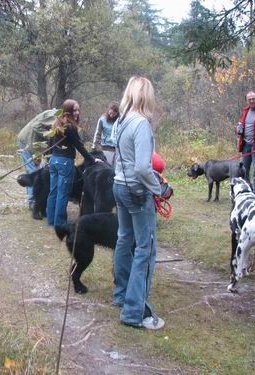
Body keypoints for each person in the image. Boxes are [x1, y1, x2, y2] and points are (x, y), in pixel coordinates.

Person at [112, 76, 164, 330]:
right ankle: (134, 311)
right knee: (146, 248)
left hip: (119, 185)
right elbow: (143, 168)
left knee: (124, 239)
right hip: (136, 191)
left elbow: (123, 159)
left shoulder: (121, 121)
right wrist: (159, 190)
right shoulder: (141, 123)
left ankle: (122, 295)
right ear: (147, 96)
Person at [47, 99, 100, 226]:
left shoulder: (56, 124)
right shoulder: (70, 127)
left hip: (53, 160)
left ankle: (51, 220)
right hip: (65, 162)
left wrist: (47, 159)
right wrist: (92, 159)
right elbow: (79, 146)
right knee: (62, 193)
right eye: (74, 110)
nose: (76, 113)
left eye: (78, 110)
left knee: (53, 191)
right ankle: (59, 222)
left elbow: (50, 144)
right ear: (67, 111)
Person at [17, 109, 57, 209]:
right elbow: (36, 126)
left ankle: (38, 200)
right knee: (33, 171)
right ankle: (33, 202)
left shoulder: (57, 118)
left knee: (39, 170)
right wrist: (50, 136)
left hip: (36, 144)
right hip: (27, 142)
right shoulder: (54, 116)